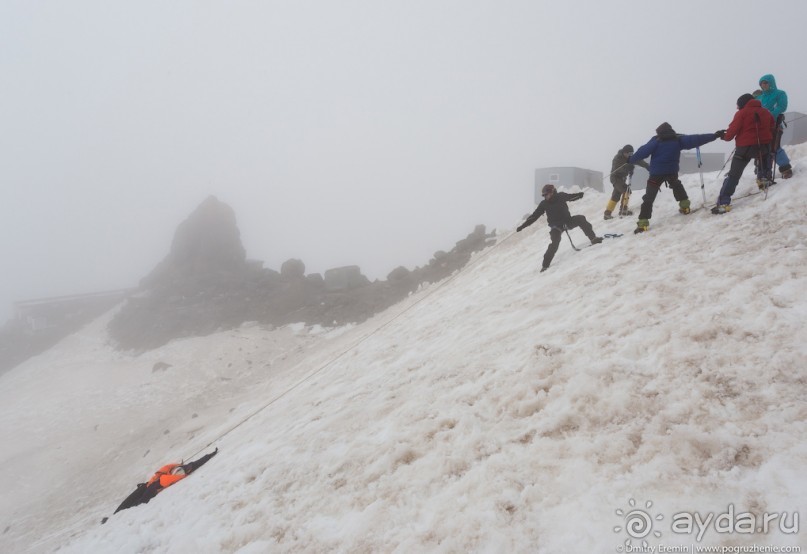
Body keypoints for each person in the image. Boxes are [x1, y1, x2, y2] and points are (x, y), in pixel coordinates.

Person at [628, 123, 722, 233]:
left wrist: (630, 160)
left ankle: (643, 223)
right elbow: (696, 138)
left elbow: (642, 152)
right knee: (677, 185)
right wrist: (715, 135)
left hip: (656, 173)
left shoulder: (656, 141)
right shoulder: (678, 139)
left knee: (649, 197)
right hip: (672, 171)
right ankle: (685, 207)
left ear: (660, 132)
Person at [101, 448, 218, 523]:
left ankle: (113, 520)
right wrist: (209, 454)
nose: (179, 472)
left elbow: (199, 462)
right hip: (148, 485)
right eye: (178, 470)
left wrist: (211, 455)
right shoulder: (177, 468)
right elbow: (198, 461)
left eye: (181, 472)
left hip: (153, 490)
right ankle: (113, 516)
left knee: (135, 504)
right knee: (128, 501)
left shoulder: (186, 470)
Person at [516, 184, 603, 272]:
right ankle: (545, 266)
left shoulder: (561, 196)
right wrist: (523, 226)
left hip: (568, 222)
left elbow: (571, 197)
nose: (546, 197)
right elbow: (534, 217)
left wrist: (579, 195)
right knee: (554, 243)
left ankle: (593, 238)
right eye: (544, 195)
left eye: (547, 194)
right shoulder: (544, 204)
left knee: (580, 218)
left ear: (552, 192)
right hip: (556, 227)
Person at [713, 93, 776, 214]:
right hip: (764, 145)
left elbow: (731, 133)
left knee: (734, 174)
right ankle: (763, 179)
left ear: (742, 103)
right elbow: (772, 126)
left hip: (745, 148)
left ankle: (724, 201)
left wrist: (723, 136)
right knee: (764, 157)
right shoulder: (766, 112)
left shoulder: (741, 113)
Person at [757, 74, 792, 179]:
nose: (764, 85)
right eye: (762, 83)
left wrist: (769, 116)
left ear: (771, 83)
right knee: (763, 148)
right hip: (762, 127)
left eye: (766, 82)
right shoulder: (760, 97)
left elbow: (782, 106)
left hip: (775, 125)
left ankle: (786, 169)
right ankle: (763, 171)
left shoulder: (780, 93)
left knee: (774, 147)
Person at [604, 145, 650, 219]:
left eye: (631, 154)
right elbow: (617, 169)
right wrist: (627, 167)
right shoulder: (618, 158)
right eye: (629, 154)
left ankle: (607, 213)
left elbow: (639, 161)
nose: (630, 155)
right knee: (626, 190)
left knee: (616, 195)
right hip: (616, 178)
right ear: (624, 152)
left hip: (622, 179)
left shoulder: (630, 157)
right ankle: (623, 210)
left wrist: (647, 166)